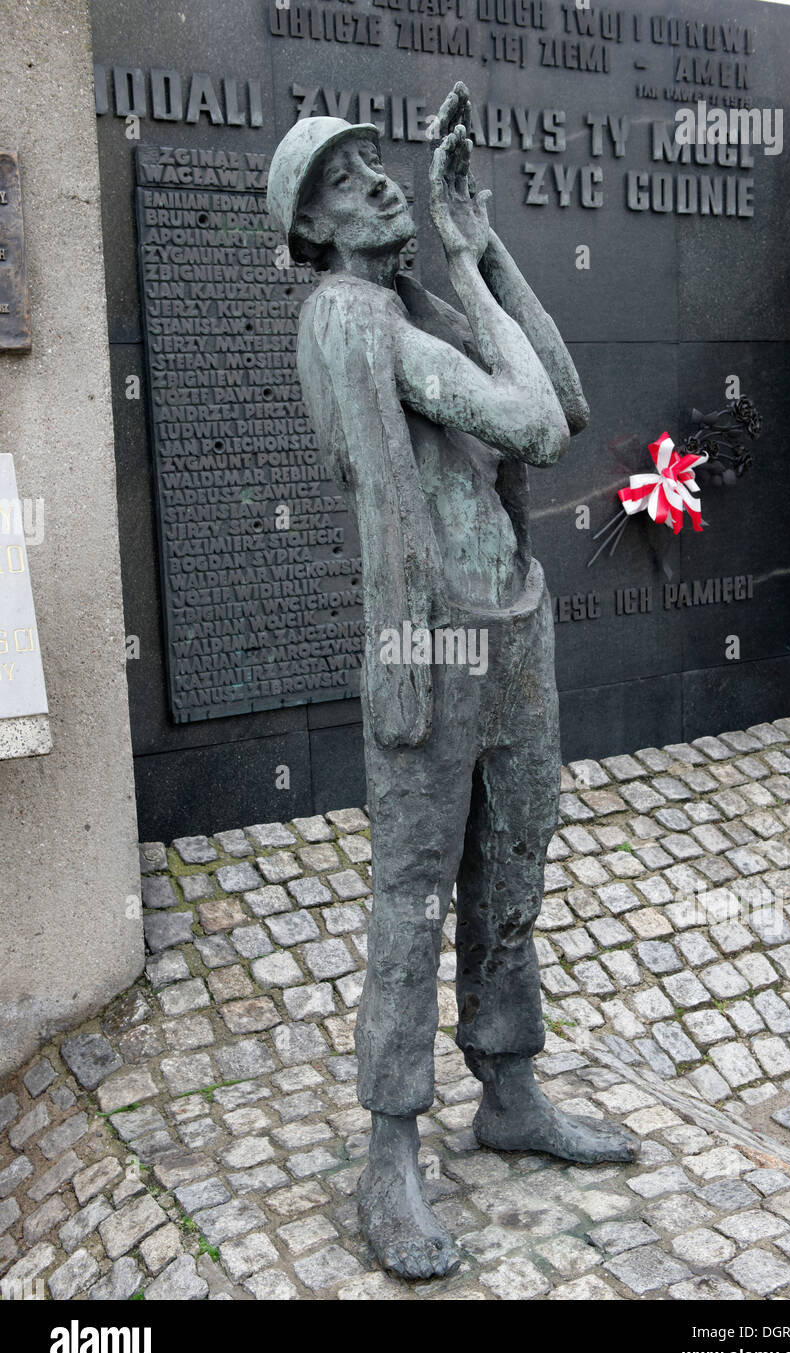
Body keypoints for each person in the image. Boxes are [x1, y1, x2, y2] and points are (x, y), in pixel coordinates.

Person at [267, 84, 639, 1281]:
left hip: (511, 618)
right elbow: (532, 425)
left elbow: (568, 399)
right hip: (433, 642)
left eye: (375, 165)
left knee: (517, 853)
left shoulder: (407, 300)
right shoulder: (349, 320)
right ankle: (389, 1153)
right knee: (413, 892)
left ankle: (510, 1082)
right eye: (343, 180)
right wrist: (473, 282)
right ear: (313, 229)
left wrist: (481, 251)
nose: (377, 183)